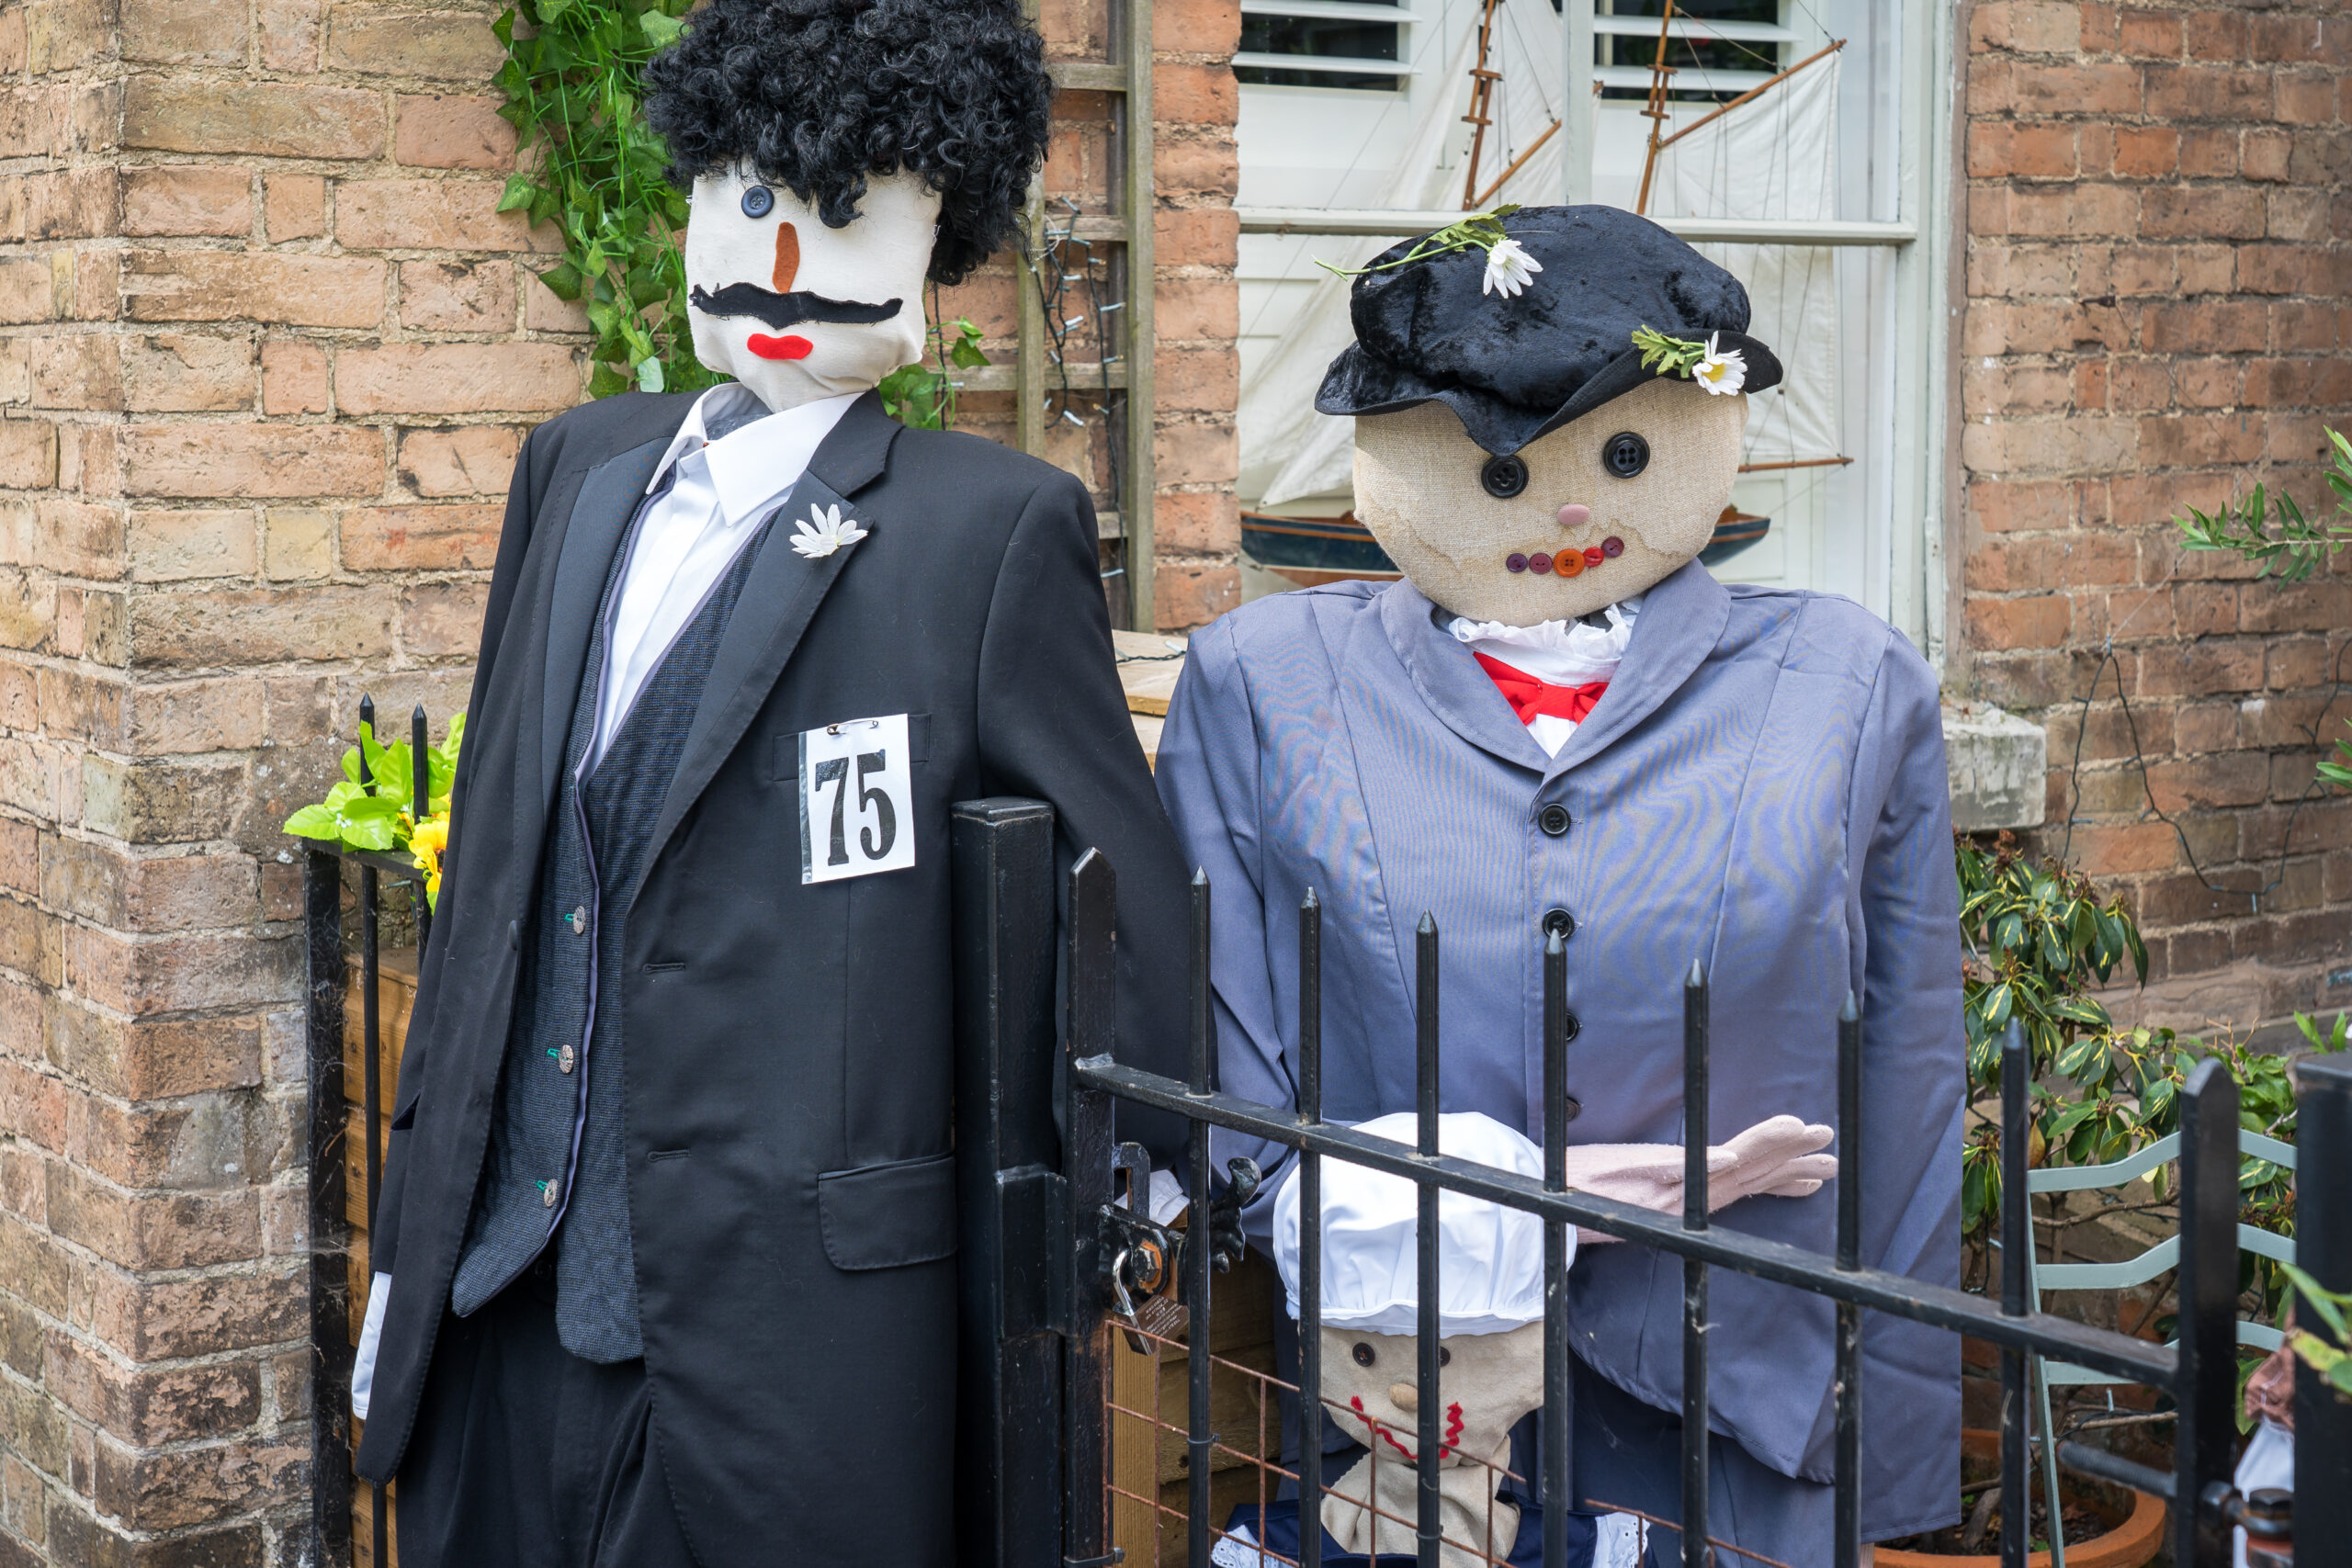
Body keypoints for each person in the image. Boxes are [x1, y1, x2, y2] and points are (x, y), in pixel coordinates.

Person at [345, 5, 1193, 1563]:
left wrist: (1138, 1208)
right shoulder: (575, 469)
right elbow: (516, 851)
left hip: (782, 1347)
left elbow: (1115, 909)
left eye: (845, 214)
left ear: (933, 241)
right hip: (494, 1294)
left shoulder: (989, 532)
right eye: (752, 201)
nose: (787, 257)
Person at [1156, 205, 1966, 1563]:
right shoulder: (1262, 684)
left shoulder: (1851, 682)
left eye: (1622, 452)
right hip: (1405, 1412)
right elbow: (1226, 1072)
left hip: (1741, 1409)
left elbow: (1910, 1070)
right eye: (1500, 467)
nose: (1573, 506)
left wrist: (1891, 1442)